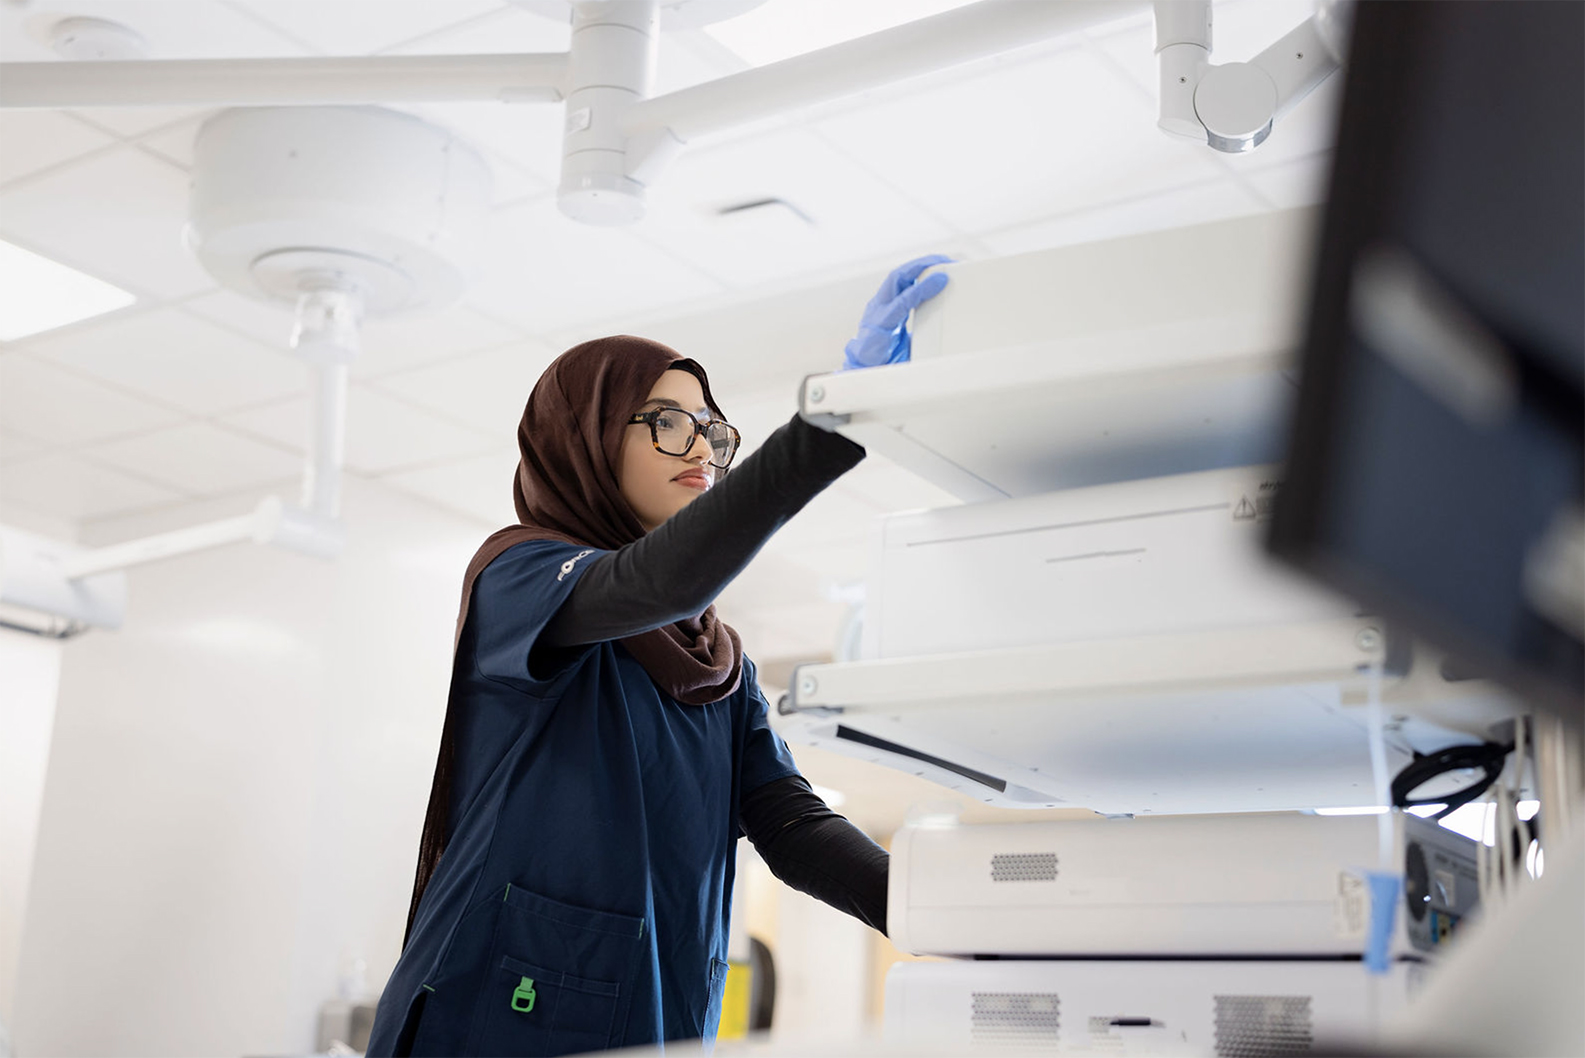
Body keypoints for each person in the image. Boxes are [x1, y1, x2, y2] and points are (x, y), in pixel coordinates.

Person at [364, 256, 951, 1057]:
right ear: (589, 436)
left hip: (659, 1014)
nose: (702, 446)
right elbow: (658, 582)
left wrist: (948, 913)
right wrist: (830, 421)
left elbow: (789, 822)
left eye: (711, 427)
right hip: (499, 1011)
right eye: (667, 420)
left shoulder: (716, 658)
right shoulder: (519, 577)